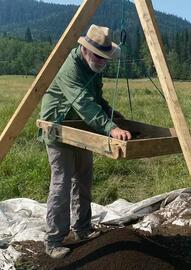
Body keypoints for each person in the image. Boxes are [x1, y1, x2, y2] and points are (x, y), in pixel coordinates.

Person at [39, 24, 131, 259]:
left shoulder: (94, 69)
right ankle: (54, 240)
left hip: (83, 128)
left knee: (84, 177)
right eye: (98, 56)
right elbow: (85, 105)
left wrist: (113, 114)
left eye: (105, 57)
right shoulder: (71, 67)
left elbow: (97, 100)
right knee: (61, 182)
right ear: (86, 50)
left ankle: (81, 228)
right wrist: (111, 128)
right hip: (59, 126)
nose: (102, 61)